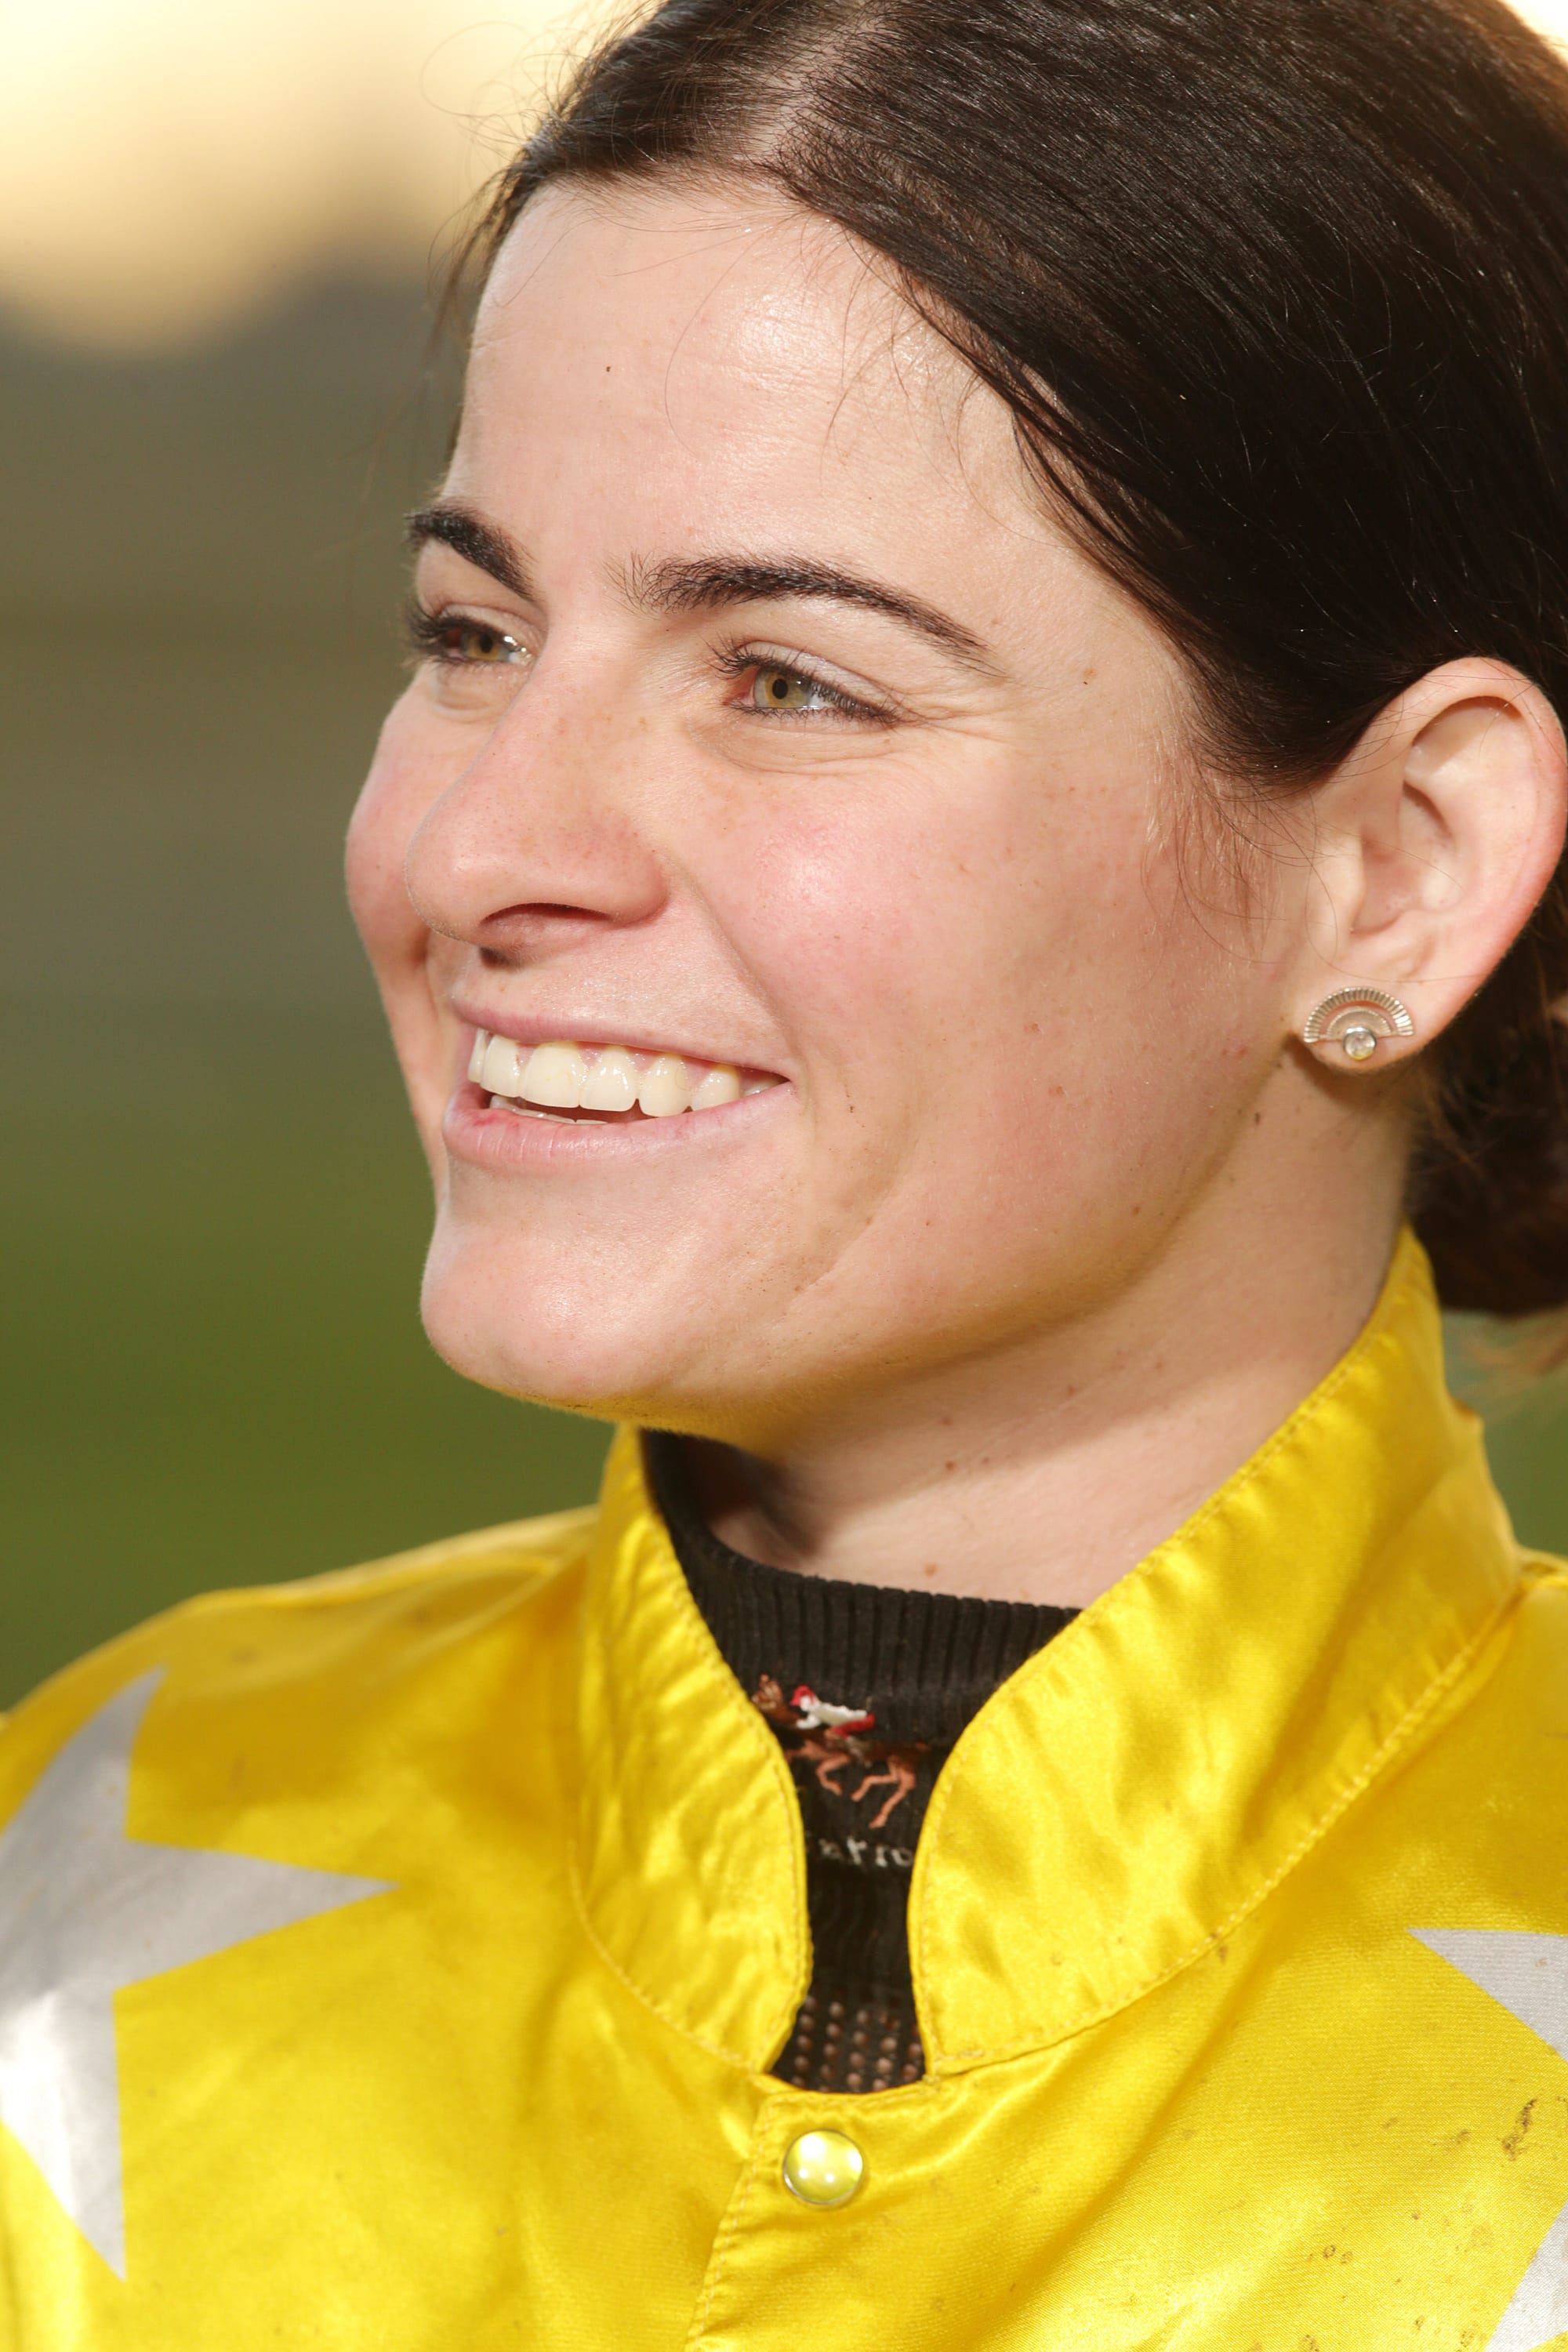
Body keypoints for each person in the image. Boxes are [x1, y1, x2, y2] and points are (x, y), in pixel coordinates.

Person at [9, 0, 1568, 2339]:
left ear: (1401, 868)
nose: (476, 849)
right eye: (473, 632)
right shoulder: (78, 1871)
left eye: (789, 681)